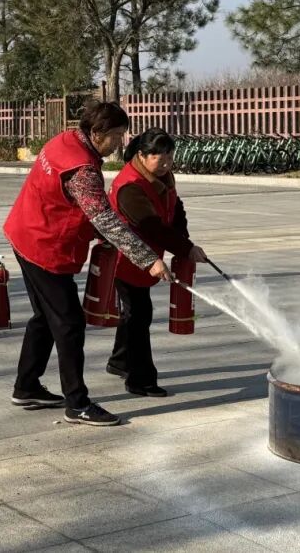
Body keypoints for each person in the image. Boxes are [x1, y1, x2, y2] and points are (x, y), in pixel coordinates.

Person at [3, 100, 172, 427]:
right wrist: (148, 260)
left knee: (45, 317)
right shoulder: (82, 169)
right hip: (44, 246)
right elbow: (104, 218)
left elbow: (78, 205)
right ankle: (77, 404)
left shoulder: (65, 140)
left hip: (24, 232)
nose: (120, 142)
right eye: (117, 135)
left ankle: (26, 387)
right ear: (96, 133)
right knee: (69, 324)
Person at [106, 127, 209, 397]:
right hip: (127, 259)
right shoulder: (130, 186)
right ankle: (140, 379)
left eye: (169, 158)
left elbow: (175, 209)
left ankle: (119, 361)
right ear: (142, 155)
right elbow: (153, 227)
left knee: (133, 313)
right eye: (159, 158)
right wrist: (185, 248)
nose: (165, 164)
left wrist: (185, 244)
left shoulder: (161, 177)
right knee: (140, 315)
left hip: (148, 258)